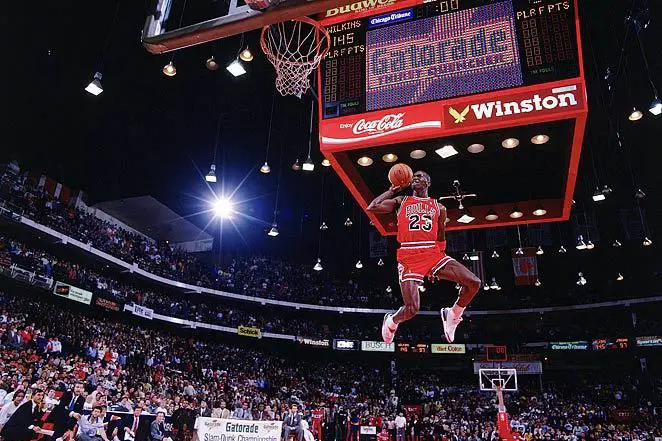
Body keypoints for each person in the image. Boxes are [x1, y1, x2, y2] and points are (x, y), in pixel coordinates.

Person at [367, 170, 481, 343]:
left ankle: (453, 314)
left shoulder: (439, 207)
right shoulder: (401, 201)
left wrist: (439, 261)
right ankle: (392, 320)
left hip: (433, 252)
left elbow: (441, 235)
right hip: (409, 254)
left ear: (428, 182)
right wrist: (392, 190)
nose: (415, 178)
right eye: (414, 177)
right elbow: (372, 207)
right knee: (412, 309)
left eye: (420, 176)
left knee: (474, 283)